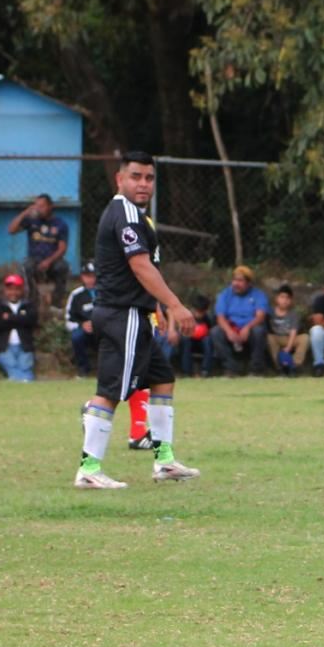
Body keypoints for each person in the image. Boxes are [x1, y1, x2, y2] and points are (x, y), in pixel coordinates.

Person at [75, 151, 199, 489]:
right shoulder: (125, 214)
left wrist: (154, 308)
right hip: (122, 315)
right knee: (111, 391)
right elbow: (140, 266)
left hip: (137, 313)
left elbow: (146, 271)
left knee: (162, 378)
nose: (143, 183)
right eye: (135, 176)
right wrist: (174, 305)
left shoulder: (139, 217)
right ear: (119, 179)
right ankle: (89, 468)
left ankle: (165, 461)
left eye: (149, 177)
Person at [8, 194, 71, 305]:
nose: (38, 209)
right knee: (25, 267)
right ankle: (31, 301)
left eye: (42, 206)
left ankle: (56, 302)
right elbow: (11, 230)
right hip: (34, 259)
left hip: (52, 260)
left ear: (50, 206)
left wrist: (48, 261)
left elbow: (62, 249)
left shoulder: (60, 224)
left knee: (63, 267)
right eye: (36, 206)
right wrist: (24, 213)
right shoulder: (32, 221)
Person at [210, 265, 270, 376]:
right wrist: (229, 331)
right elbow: (220, 317)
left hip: (250, 328)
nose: (236, 284)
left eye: (240, 281)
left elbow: (260, 316)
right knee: (215, 332)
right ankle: (231, 368)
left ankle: (255, 370)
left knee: (259, 331)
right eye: (234, 280)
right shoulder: (225, 294)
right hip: (231, 327)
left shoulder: (258, 295)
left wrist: (247, 327)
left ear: (248, 283)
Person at [0, 274, 38, 381]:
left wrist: (9, 317)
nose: (13, 293)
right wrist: (20, 319)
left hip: (24, 346)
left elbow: (31, 321)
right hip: (3, 347)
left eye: (17, 289)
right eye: (10, 289)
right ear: (5, 290)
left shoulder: (28, 305)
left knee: (25, 367)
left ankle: (22, 382)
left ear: (22, 290)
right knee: (12, 366)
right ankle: (26, 383)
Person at [65, 262, 99, 377]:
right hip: (85, 331)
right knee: (77, 337)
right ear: (82, 277)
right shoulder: (75, 295)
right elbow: (68, 320)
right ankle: (83, 370)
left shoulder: (106, 292)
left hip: (103, 329)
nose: (91, 279)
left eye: (94, 276)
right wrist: (82, 325)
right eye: (88, 276)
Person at [266, 284, 308, 377]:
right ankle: (279, 367)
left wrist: (288, 347)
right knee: (269, 338)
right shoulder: (270, 311)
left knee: (305, 338)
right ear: (277, 298)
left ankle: (294, 365)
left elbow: (294, 331)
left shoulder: (293, 314)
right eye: (282, 297)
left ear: (291, 300)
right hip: (277, 337)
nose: (284, 300)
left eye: (287, 298)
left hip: (289, 338)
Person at [178, 294, 214, 377]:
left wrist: (206, 332)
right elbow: (180, 330)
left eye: (201, 312)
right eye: (197, 311)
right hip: (189, 339)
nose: (198, 314)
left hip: (202, 340)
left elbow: (211, 329)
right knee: (185, 340)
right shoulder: (186, 316)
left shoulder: (208, 318)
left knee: (208, 341)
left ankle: (205, 370)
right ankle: (186, 371)